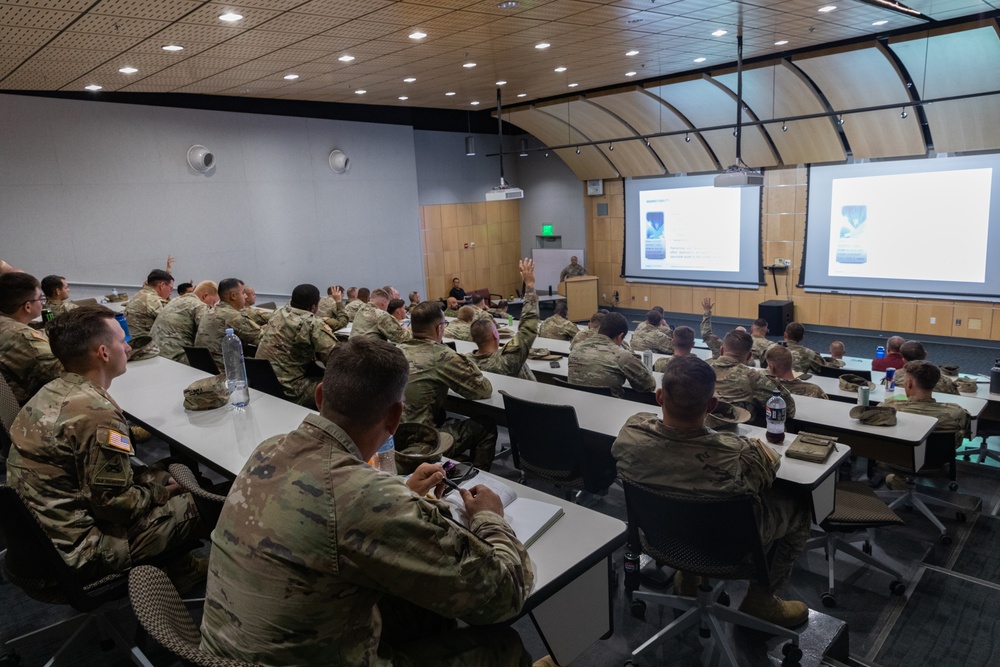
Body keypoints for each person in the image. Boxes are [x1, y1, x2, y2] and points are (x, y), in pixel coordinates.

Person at [198, 337, 533, 666]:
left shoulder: (268, 449)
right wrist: (490, 518)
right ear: (395, 417)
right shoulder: (369, 499)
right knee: (502, 644)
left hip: (226, 652)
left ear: (319, 396)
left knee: (421, 612)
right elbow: (504, 596)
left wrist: (405, 496)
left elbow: (333, 513)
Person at [5, 305, 208, 589]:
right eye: (121, 339)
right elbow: (116, 506)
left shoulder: (53, 392)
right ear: (103, 352)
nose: (127, 345)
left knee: (163, 471)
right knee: (207, 498)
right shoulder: (94, 413)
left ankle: (182, 570)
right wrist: (161, 490)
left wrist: (156, 481)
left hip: (44, 540)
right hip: (80, 552)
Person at [612, 355, 810, 628]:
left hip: (664, 536)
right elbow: (770, 468)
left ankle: (689, 579)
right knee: (800, 509)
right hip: (726, 544)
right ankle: (761, 600)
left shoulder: (630, 435)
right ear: (713, 405)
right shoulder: (741, 456)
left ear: (659, 397)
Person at [399, 302, 497, 470]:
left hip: (392, 439)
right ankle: (477, 483)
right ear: (439, 329)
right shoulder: (441, 356)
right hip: (420, 443)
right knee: (486, 425)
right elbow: (483, 389)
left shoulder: (397, 350)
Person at [883, 360, 971, 490]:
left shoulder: (888, 408)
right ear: (934, 384)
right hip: (937, 464)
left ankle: (899, 479)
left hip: (896, 462)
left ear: (909, 383)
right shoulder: (956, 413)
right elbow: (960, 439)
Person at [256, 284, 338, 408]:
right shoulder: (312, 323)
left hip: (261, 383)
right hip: (290, 391)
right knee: (337, 387)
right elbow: (336, 358)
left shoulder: (278, 312)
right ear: (314, 307)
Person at [468, 258, 538, 381]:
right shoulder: (507, 361)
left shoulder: (467, 363)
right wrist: (530, 286)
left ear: (473, 338)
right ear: (496, 335)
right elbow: (528, 328)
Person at [0, 271, 63, 404]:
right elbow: (65, 373)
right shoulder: (21, 337)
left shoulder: (5, 323)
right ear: (28, 306)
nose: (43, 303)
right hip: (34, 409)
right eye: (40, 298)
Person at [707, 329, 796, 423]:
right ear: (749, 356)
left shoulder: (701, 369)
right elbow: (789, 410)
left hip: (701, 429)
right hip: (739, 432)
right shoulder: (754, 377)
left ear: (721, 350)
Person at [568, 312, 655, 397]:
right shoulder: (622, 356)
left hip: (576, 405)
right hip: (610, 409)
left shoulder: (576, 348)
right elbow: (649, 385)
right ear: (620, 336)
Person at [194, 278, 263, 371]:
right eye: (243, 293)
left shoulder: (211, 311)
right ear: (233, 296)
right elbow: (264, 339)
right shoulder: (233, 317)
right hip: (225, 374)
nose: (246, 297)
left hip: (204, 369)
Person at [149, 280, 217, 364]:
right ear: (205, 296)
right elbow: (207, 334)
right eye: (213, 302)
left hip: (154, 353)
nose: (212, 306)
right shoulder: (200, 306)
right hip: (174, 358)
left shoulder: (175, 300)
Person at [891, 340, 959, 394]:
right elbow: (956, 398)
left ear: (903, 359)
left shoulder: (892, 377)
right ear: (925, 354)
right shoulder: (945, 381)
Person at [126, 268, 174, 340]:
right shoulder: (153, 300)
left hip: (134, 343)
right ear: (162, 285)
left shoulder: (139, 294)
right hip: (147, 347)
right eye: (171, 288)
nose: (171, 292)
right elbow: (175, 321)